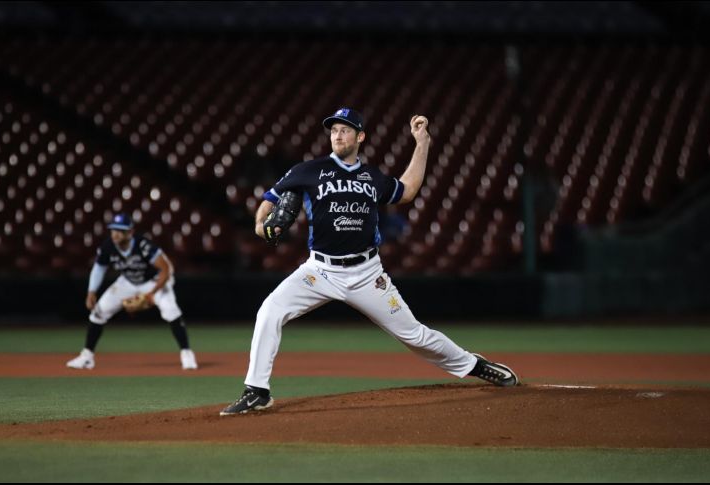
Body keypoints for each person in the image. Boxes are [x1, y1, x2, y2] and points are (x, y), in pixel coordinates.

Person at [220, 108, 518, 416]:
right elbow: (268, 202)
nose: (337, 134)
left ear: (360, 137)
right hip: (319, 271)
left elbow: (408, 190)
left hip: (367, 274)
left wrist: (422, 143)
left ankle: (476, 365)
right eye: (334, 129)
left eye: (345, 130)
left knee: (414, 335)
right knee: (270, 310)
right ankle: (257, 391)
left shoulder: (371, 177)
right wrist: (261, 225)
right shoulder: (307, 171)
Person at [66, 213, 198, 370]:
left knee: (171, 310)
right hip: (128, 281)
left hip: (155, 280)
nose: (115, 233)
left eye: (120, 230)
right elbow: (99, 267)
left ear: (130, 232)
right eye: (113, 229)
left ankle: (186, 353)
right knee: (99, 311)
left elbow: (166, 270)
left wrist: (152, 294)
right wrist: (91, 291)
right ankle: (87, 357)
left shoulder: (143, 245)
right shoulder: (108, 245)